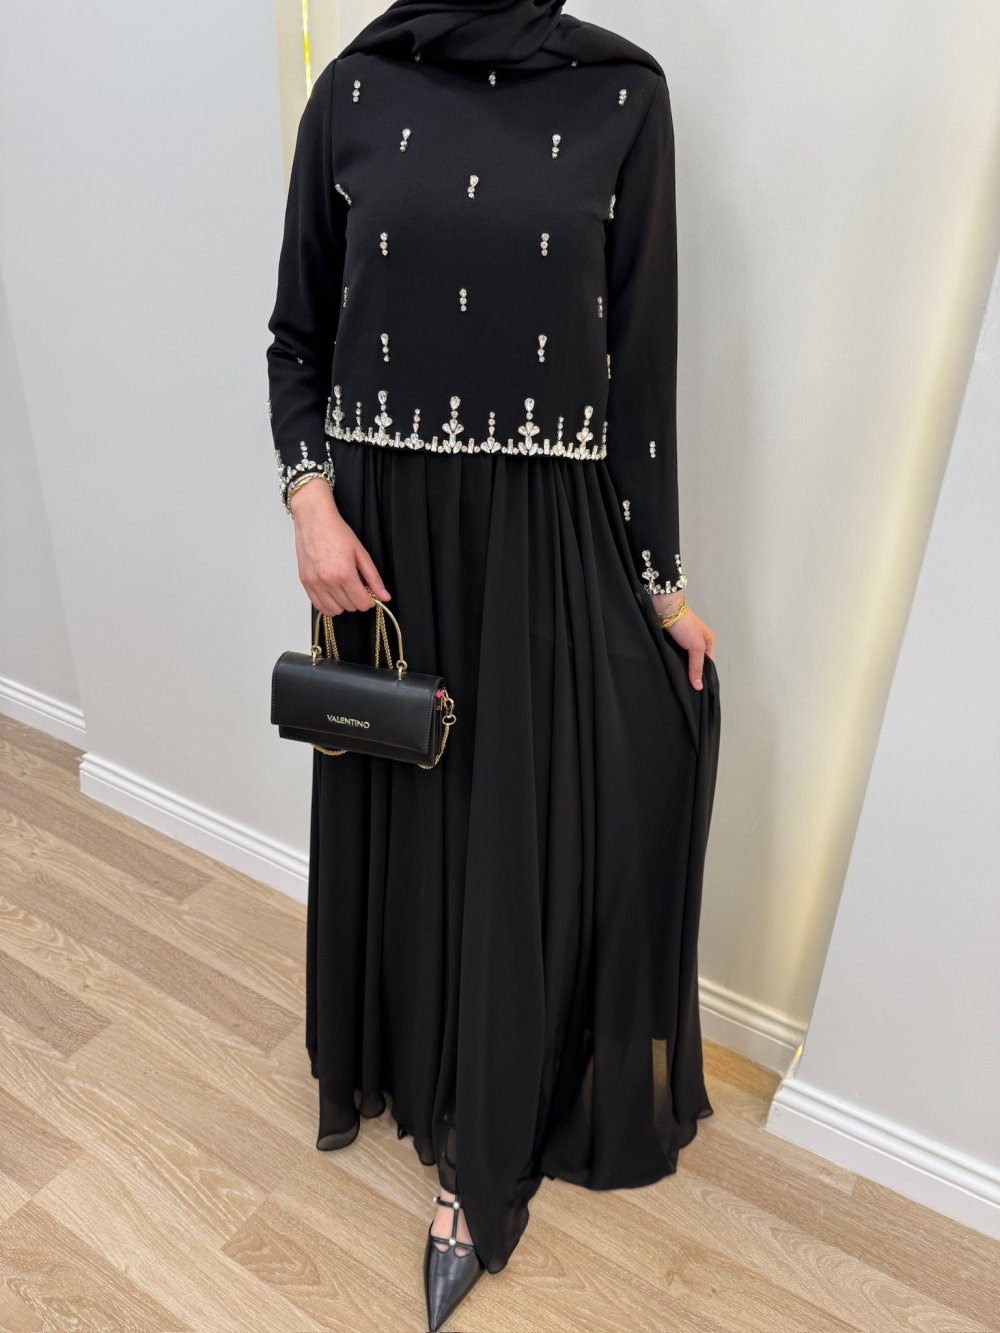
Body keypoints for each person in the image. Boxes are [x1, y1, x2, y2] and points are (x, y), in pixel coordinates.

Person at [265, 1, 722, 1327]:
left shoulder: (623, 97)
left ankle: (478, 1159)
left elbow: (640, 376)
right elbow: (295, 336)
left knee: (518, 841)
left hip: (539, 545)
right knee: (407, 815)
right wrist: (310, 504)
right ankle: (399, 1062)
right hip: (382, 544)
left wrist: (662, 586)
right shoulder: (355, 89)